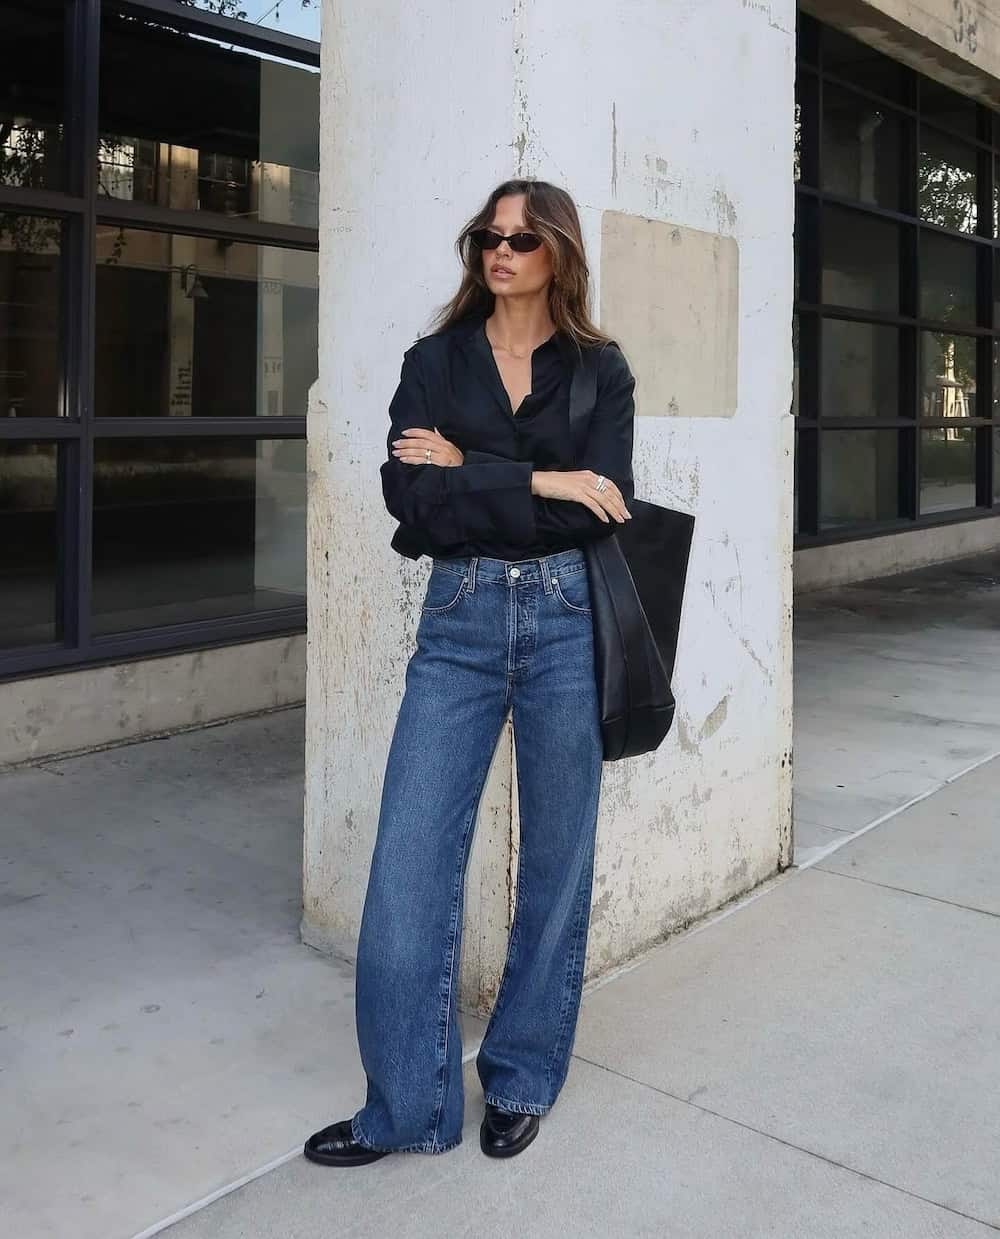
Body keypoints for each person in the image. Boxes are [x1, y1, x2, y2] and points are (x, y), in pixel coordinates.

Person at [304, 177, 636, 1166]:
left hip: (569, 619)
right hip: (458, 617)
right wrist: (534, 476)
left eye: (523, 238)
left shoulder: (597, 371)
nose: (502, 251)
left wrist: (471, 467)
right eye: (487, 236)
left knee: (556, 862)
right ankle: (405, 1106)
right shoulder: (433, 361)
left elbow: (602, 504)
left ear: (558, 255)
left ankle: (523, 1074)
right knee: (407, 864)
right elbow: (412, 501)